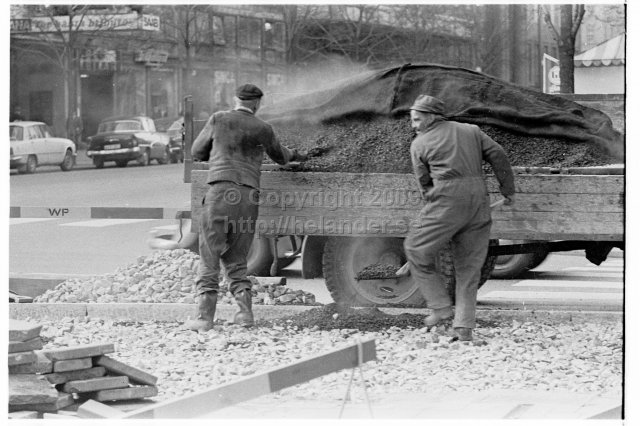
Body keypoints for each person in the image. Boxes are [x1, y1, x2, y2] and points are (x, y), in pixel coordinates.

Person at [187, 84, 308, 331]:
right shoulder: (264, 128)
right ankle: (244, 315)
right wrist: (300, 154)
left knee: (209, 255)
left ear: (235, 100)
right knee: (237, 258)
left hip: (220, 194)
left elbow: (197, 151)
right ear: (258, 103)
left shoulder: (218, 118)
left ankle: (203, 317)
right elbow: (282, 157)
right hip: (248, 198)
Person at [402, 94, 515, 342]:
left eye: (417, 120)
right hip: (478, 202)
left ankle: (440, 307)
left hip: (446, 200)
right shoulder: (472, 131)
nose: (414, 125)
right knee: (468, 269)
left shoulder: (420, 144)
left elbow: (424, 184)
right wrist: (507, 190)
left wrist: (434, 209)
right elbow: (499, 155)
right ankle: (464, 328)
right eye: (413, 121)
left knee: (415, 248)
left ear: (431, 117)